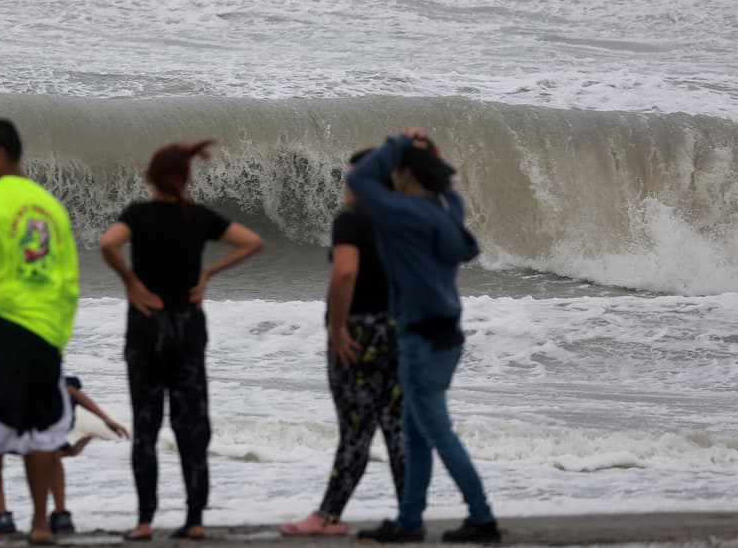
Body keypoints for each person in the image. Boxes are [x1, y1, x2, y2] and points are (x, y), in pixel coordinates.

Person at [98, 140, 264, 541]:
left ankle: (144, 521)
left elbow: (108, 244)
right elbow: (252, 241)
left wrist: (132, 283)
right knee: (191, 425)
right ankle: (194, 520)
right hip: (188, 327)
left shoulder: (138, 215)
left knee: (146, 424)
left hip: (146, 327)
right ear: (186, 180)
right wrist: (208, 274)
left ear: (150, 177)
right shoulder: (199, 217)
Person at [345, 129, 501, 543]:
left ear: (404, 173)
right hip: (445, 335)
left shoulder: (403, 213)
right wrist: (421, 149)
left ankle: (483, 518)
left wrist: (397, 143)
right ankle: (409, 522)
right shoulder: (449, 207)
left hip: (420, 339)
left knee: (437, 433)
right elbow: (441, 184)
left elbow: (358, 181)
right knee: (415, 437)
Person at [0, 119, 80, 547]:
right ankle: (41, 526)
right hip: (45, 331)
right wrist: (58, 334)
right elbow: (69, 278)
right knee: (42, 429)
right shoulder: (50, 206)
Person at [281, 149, 404, 537]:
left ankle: (327, 516)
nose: (347, 184)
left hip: (359, 333)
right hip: (398, 331)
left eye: (353, 177)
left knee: (356, 430)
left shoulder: (352, 221)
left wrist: (337, 329)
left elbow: (346, 273)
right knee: (395, 429)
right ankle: (410, 515)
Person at [0, 375, 131, 536]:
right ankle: (60, 517)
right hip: (49, 411)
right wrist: (105, 419)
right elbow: (70, 390)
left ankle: (2, 517)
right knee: (50, 453)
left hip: (23, 408)